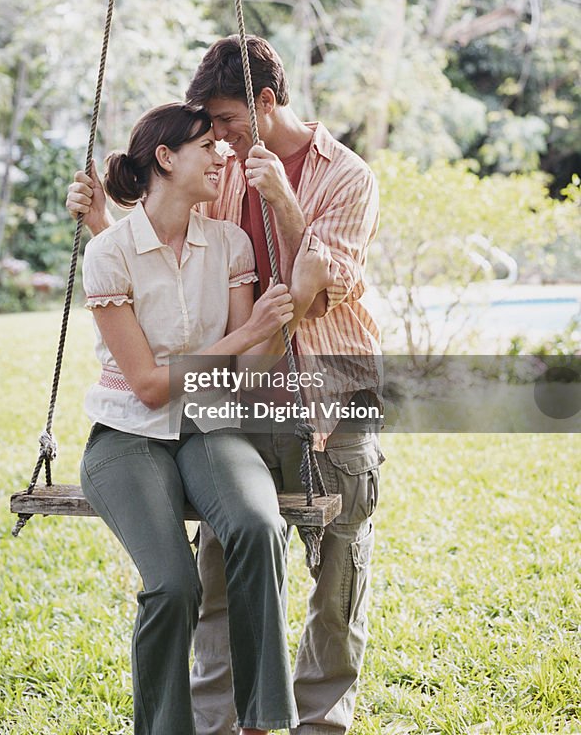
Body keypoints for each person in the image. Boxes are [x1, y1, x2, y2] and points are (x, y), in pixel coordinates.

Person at [68, 36, 383, 735]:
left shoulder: (347, 177)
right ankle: (221, 725)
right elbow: (164, 251)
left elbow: (328, 288)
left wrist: (286, 202)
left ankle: (318, 724)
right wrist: (101, 225)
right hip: (230, 397)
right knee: (219, 565)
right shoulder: (223, 166)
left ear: (265, 105)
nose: (219, 142)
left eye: (226, 124)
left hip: (329, 392)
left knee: (336, 581)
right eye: (208, 131)